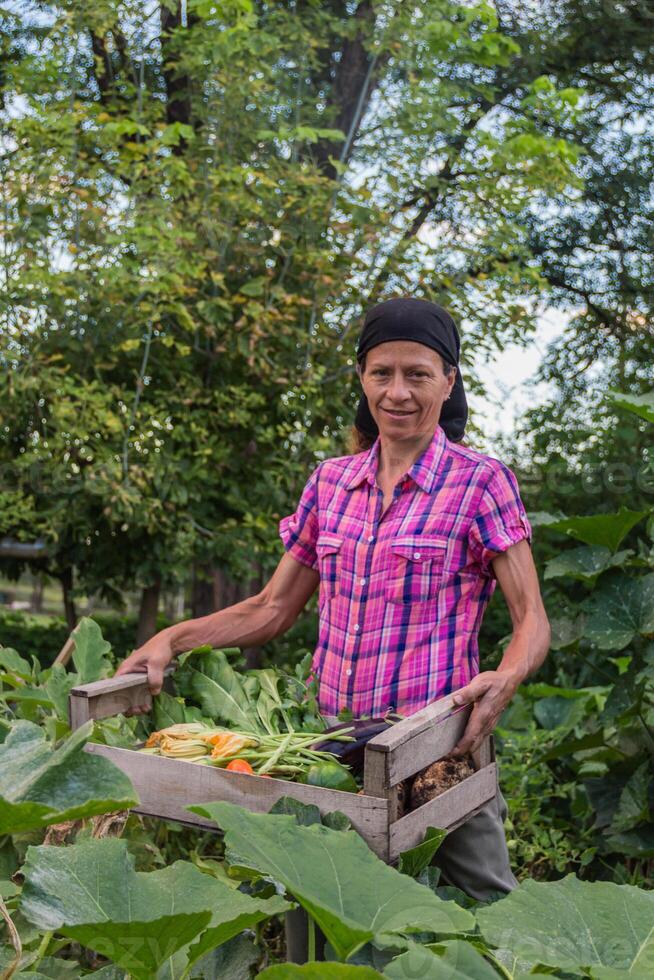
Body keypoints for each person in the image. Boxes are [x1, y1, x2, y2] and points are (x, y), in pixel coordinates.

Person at [116, 296, 551, 900]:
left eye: (418, 374)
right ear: (362, 377)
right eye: (382, 373)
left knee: (485, 905)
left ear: (449, 381)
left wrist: (504, 678)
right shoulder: (330, 482)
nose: (398, 392)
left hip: (437, 747)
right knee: (323, 906)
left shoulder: (480, 482)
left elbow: (533, 621)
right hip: (329, 746)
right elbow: (271, 608)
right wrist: (171, 638)